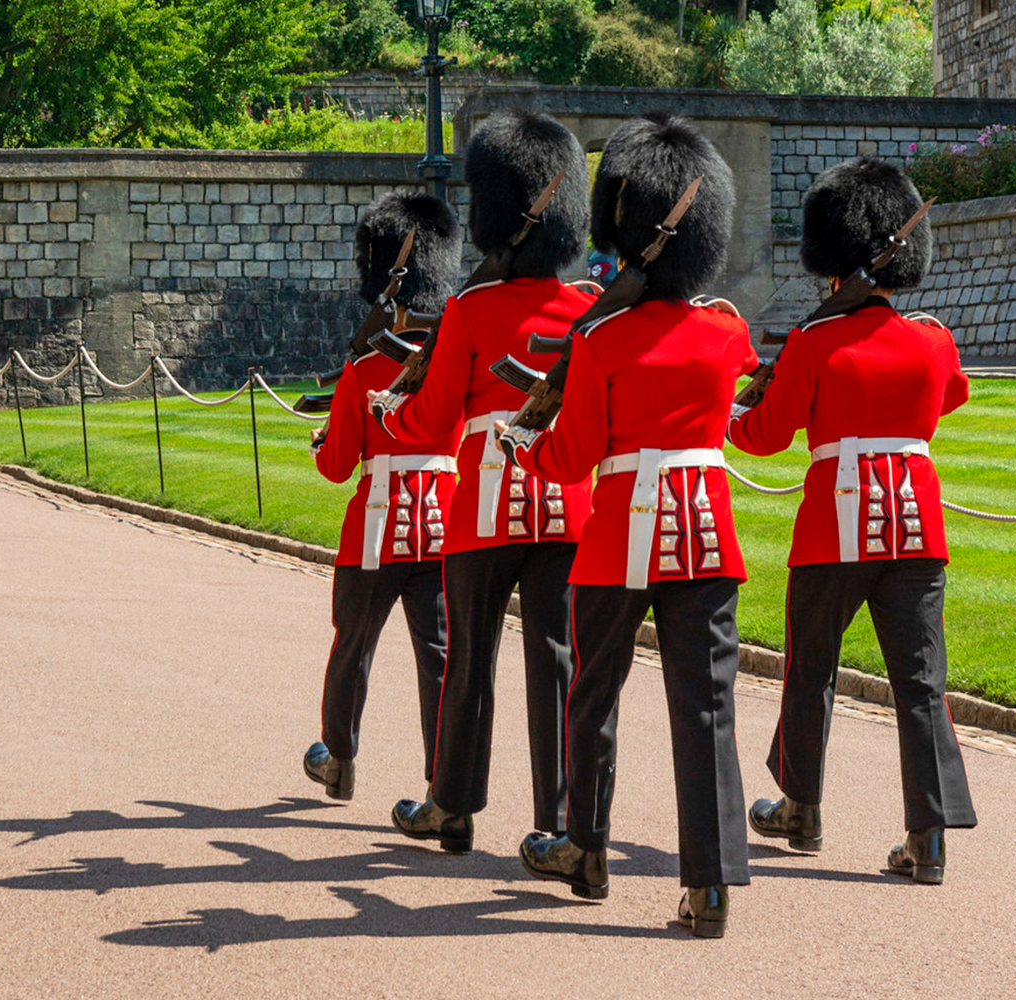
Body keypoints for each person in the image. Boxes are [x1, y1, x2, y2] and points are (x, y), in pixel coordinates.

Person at [499, 112, 754, 938]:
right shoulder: (728, 330)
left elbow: (572, 459)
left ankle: (586, 849)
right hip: (706, 538)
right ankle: (708, 887)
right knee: (706, 711)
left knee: (593, 696)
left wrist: (521, 449)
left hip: (618, 540)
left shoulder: (603, 341)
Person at [729, 155, 978, 885]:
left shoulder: (814, 342)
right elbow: (951, 395)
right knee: (921, 682)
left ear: (836, 263)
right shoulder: (932, 337)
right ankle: (928, 838)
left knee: (811, 671)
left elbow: (765, 435)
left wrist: (727, 413)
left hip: (833, 527)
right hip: (916, 526)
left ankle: (800, 809)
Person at [372, 108, 595, 851]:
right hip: (566, 507)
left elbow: (433, 421)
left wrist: (392, 413)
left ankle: (452, 805)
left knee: (469, 661)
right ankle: (559, 821)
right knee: (557, 662)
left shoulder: (469, 311)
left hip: (484, 513)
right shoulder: (589, 311)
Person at [303, 191, 463, 802]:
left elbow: (338, 465)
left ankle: (339, 760)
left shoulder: (366, 367)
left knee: (353, 647)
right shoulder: (454, 362)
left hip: (375, 528)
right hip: (442, 524)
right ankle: (442, 782)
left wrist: (321, 443)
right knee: (439, 659)